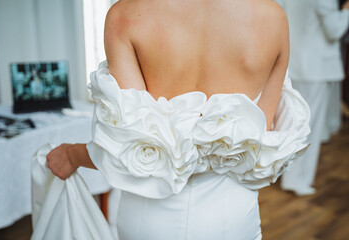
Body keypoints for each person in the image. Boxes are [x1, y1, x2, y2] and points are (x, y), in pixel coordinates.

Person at [44, 0, 310, 239]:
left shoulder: (126, 14)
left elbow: (128, 146)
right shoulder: (273, 18)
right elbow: (262, 134)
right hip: (231, 216)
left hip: (148, 215)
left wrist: (72, 155)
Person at [276, 0, 349, 196]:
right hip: (315, 69)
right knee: (310, 127)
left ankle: (285, 173)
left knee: (290, 123)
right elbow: (335, 30)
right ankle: (297, 180)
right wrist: (346, 11)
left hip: (293, 64)